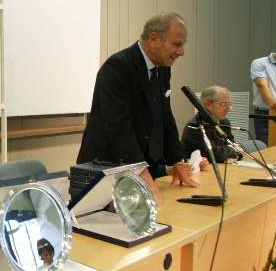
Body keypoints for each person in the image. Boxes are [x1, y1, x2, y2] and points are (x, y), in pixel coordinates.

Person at [77, 12, 199, 205]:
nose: (182, 52)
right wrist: (140, 170)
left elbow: (165, 117)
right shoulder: (117, 66)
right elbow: (117, 126)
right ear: (155, 39)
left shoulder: (163, 68)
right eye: (177, 44)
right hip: (106, 169)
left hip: (138, 167)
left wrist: (177, 161)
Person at [181, 85, 242, 163]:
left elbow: (235, 146)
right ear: (208, 104)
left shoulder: (224, 122)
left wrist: (234, 153)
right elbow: (213, 154)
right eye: (223, 104)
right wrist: (232, 151)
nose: (229, 109)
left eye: (229, 104)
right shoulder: (195, 126)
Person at [250, 35, 276, 144]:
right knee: (266, 147)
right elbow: (262, 86)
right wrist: (274, 106)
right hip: (266, 114)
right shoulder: (260, 63)